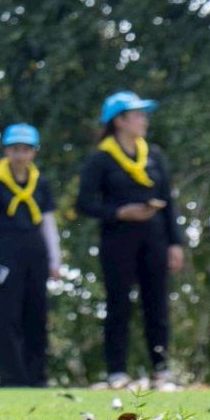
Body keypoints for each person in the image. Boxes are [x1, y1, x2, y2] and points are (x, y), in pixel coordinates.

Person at [77, 91, 187, 388]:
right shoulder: (100, 158)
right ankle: (116, 372)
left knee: (157, 304)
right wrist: (119, 212)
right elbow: (84, 203)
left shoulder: (154, 155)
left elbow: (168, 202)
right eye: (137, 115)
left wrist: (175, 243)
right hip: (117, 240)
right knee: (118, 305)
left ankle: (161, 370)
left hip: (155, 238)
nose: (143, 120)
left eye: (143, 114)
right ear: (119, 121)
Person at [0, 123, 61, 387]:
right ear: (6, 151)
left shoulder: (41, 183)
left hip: (36, 253)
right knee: (7, 316)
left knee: (37, 314)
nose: (20, 155)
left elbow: (48, 223)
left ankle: (37, 377)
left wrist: (55, 259)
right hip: (6, 254)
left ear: (33, 152)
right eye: (15, 149)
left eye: (25, 149)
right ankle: (11, 378)